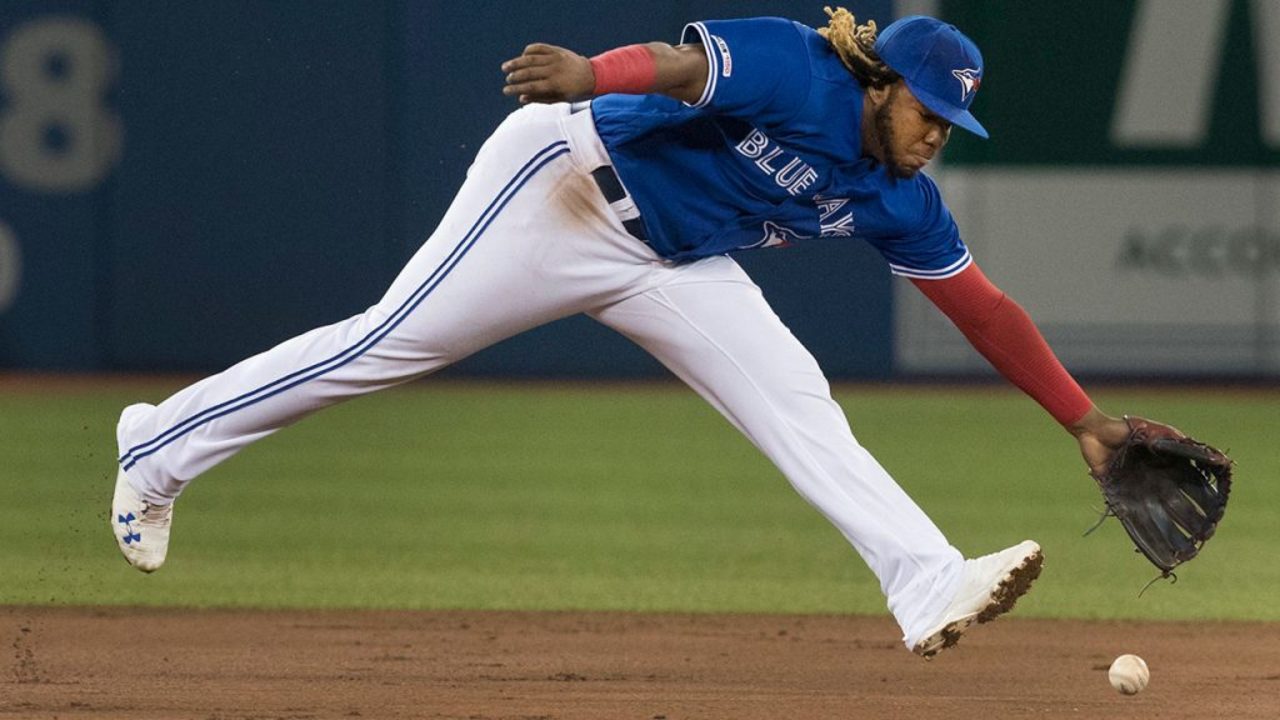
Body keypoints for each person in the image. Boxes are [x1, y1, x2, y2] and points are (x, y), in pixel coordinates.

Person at [110, 7, 1133, 658]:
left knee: (795, 397)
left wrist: (1081, 421)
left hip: (674, 261)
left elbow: (982, 312)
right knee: (379, 348)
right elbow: (687, 69)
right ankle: (156, 449)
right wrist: (593, 73)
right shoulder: (802, 67)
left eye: (951, 129)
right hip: (561, 186)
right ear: (881, 82)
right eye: (928, 114)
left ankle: (924, 584)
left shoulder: (900, 196)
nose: (935, 137)